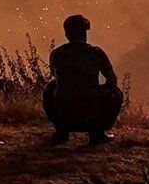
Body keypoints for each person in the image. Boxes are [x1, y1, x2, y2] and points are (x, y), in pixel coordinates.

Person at [44, 14, 123, 144]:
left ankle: (61, 132)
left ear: (66, 34)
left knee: (50, 87)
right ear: (85, 33)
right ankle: (98, 133)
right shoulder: (96, 53)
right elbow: (112, 80)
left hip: (64, 113)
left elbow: (56, 77)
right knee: (116, 92)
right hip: (91, 113)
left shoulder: (57, 54)